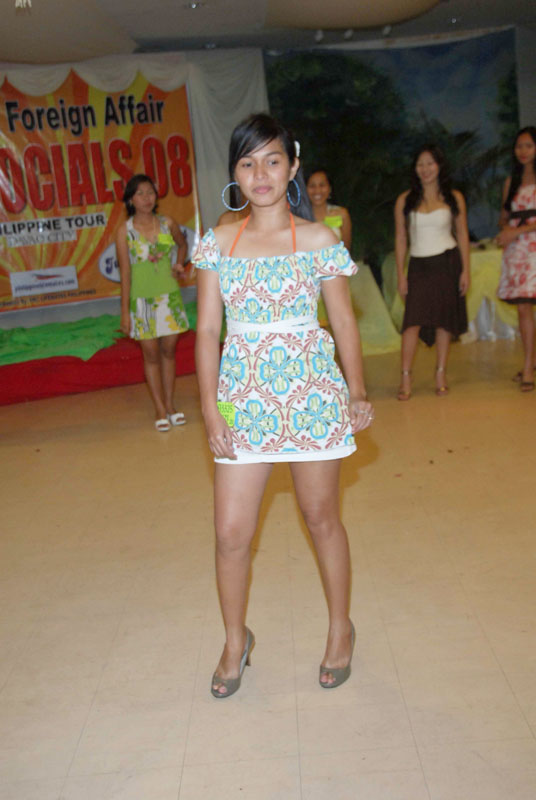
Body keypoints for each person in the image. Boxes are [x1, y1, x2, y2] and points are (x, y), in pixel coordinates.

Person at [193, 113, 374, 698]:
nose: (261, 174)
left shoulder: (319, 240)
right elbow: (207, 332)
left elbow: (343, 321)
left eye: (272, 160)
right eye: (248, 163)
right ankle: (234, 640)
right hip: (240, 402)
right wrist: (211, 411)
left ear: (292, 166)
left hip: (312, 398)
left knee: (321, 518)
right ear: (235, 174)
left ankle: (341, 627)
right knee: (230, 533)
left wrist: (357, 390)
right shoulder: (218, 243)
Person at [394, 145, 470, 400]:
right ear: (415, 169)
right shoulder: (405, 200)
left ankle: (440, 373)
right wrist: (401, 274)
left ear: (439, 166)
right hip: (418, 265)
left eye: (430, 163)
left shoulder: (454, 197)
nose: (425, 169)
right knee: (412, 322)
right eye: (420, 164)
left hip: (447, 262)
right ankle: (406, 376)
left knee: (443, 321)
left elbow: (462, 234)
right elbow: (401, 238)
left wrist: (465, 271)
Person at [117, 174, 189, 431]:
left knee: (169, 351)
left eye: (150, 192)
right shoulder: (124, 232)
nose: (147, 198)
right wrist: (125, 312)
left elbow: (182, 245)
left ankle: (170, 405)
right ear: (130, 199)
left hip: (169, 297)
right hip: (142, 300)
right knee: (151, 354)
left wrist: (179, 264)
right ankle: (159, 408)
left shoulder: (168, 223)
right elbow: (125, 274)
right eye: (140, 193)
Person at [496, 126, 536, 392]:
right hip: (518, 252)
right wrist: (504, 231)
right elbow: (504, 217)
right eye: (519, 146)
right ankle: (528, 364)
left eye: (529, 145)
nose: (523, 151)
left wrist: (517, 231)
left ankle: (530, 365)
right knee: (523, 308)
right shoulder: (511, 182)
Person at [306, 169, 352, 251]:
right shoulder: (299, 217)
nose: (317, 190)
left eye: (322, 185)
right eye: (312, 186)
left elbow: (346, 251)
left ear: (330, 189)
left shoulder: (341, 215)